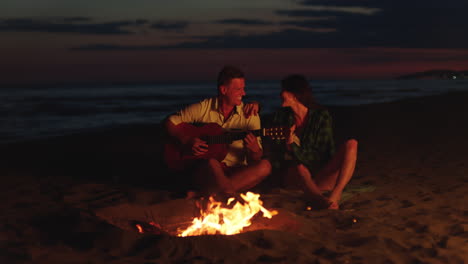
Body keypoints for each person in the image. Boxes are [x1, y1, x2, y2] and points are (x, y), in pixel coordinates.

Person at [165, 65, 271, 196]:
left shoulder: (250, 114)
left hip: (237, 171)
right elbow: (170, 121)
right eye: (238, 89)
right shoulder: (204, 107)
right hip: (209, 170)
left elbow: (256, 158)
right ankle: (226, 193)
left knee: (265, 166)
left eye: (243, 89)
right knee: (212, 161)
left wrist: (255, 150)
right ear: (223, 90)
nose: (243, 93)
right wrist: (187, 140)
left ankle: (213, 192)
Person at [264, 74, 358, 209]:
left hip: (320, 173)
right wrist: (288, 146)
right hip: (297, 177)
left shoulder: (321, 116)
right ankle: (319, 200)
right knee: (299, 166)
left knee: (352, 143)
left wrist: (294, 146)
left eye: (283, 90)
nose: (280, 94)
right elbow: (278, 155)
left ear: (294, 95)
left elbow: (320, 154)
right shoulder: (281, 117)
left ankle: (335, 195)